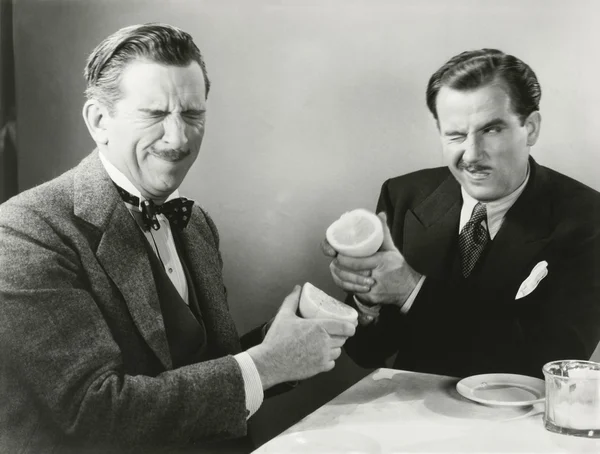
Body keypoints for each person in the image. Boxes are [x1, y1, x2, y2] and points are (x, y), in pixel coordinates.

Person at [0, 23, 356, 454]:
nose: (178, 137)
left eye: (192, 114)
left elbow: (197, 367)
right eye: (154, 114)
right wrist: (268, 364)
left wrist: (281, 342)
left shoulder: (196, 221)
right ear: (99, 121)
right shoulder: (22, 231)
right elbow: (94, 415)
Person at [323, 48, 600, 379]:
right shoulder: (403, 196)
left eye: (491, 130)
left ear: (531, 128)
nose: (471, 154)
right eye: (455, 134)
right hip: (411, 415)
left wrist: (410, 290)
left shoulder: (588, 218)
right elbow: (368, 352)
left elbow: (549, 364)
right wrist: (367, 299)